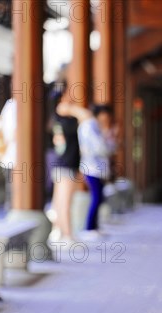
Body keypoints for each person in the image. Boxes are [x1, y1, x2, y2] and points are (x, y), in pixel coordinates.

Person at [57, 102, 116, 239]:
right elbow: (100, 148)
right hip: (91, 167)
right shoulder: (90, 125)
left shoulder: (93, 126)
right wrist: (109, 141)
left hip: (95, 167)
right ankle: (88, 228)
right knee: (96, 197)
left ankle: (93, 227)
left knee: (98, 197)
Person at [49, 88, 81, 243]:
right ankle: (67, 236)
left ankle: (60, 232)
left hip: (61, 165)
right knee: (65, 202)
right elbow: (86, 117)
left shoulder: (57, 121)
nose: (71, 102)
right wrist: (72, 109)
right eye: (67, 99)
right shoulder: (68, 122)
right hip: (66, 166)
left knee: (59, 202)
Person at [0, 98, 16, 209]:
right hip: (13, 154)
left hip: (8, 154)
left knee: (11, 186)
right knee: (13, 187)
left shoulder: (9, 105)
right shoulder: (13, 105)